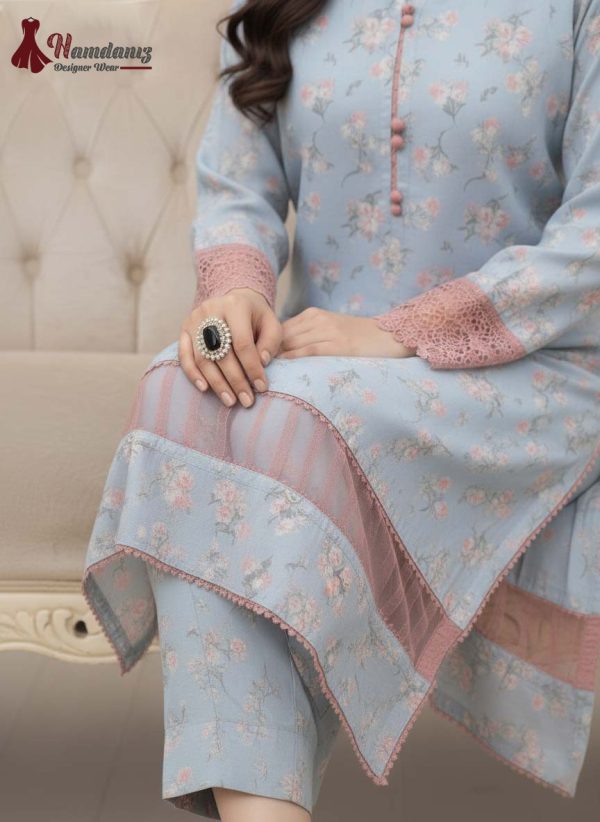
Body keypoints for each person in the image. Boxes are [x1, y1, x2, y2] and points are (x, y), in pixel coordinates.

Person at [82, 0, 600, 819]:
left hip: (524, 371)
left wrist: (403, 331)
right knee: (183, 387)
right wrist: (236, 299)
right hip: (327, 363)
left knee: (283, 421)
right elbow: (237, 188)